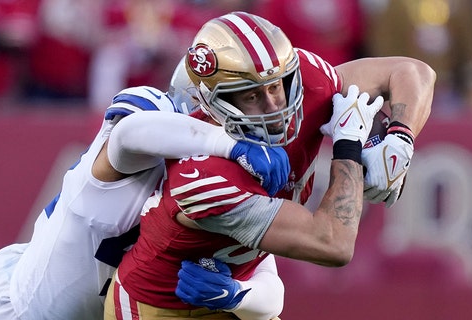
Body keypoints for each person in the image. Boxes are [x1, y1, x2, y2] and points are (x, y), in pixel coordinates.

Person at [105, 11, 435, 320]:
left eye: (276, 86)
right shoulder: (204, 173)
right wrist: (348, 143)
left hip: (236, 286)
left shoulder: (305, 82)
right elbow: (332, 243)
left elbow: (414, 72)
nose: (275, 104)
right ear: (215, 102)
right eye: (250, 96)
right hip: (156, 308)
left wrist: (399, 139)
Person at [0, 85, 291, 320]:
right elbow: (130, 132)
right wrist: (226, 145)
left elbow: (272, 291)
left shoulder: (226, 183)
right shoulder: (147, 134)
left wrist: (236, 293)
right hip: (16, 308)